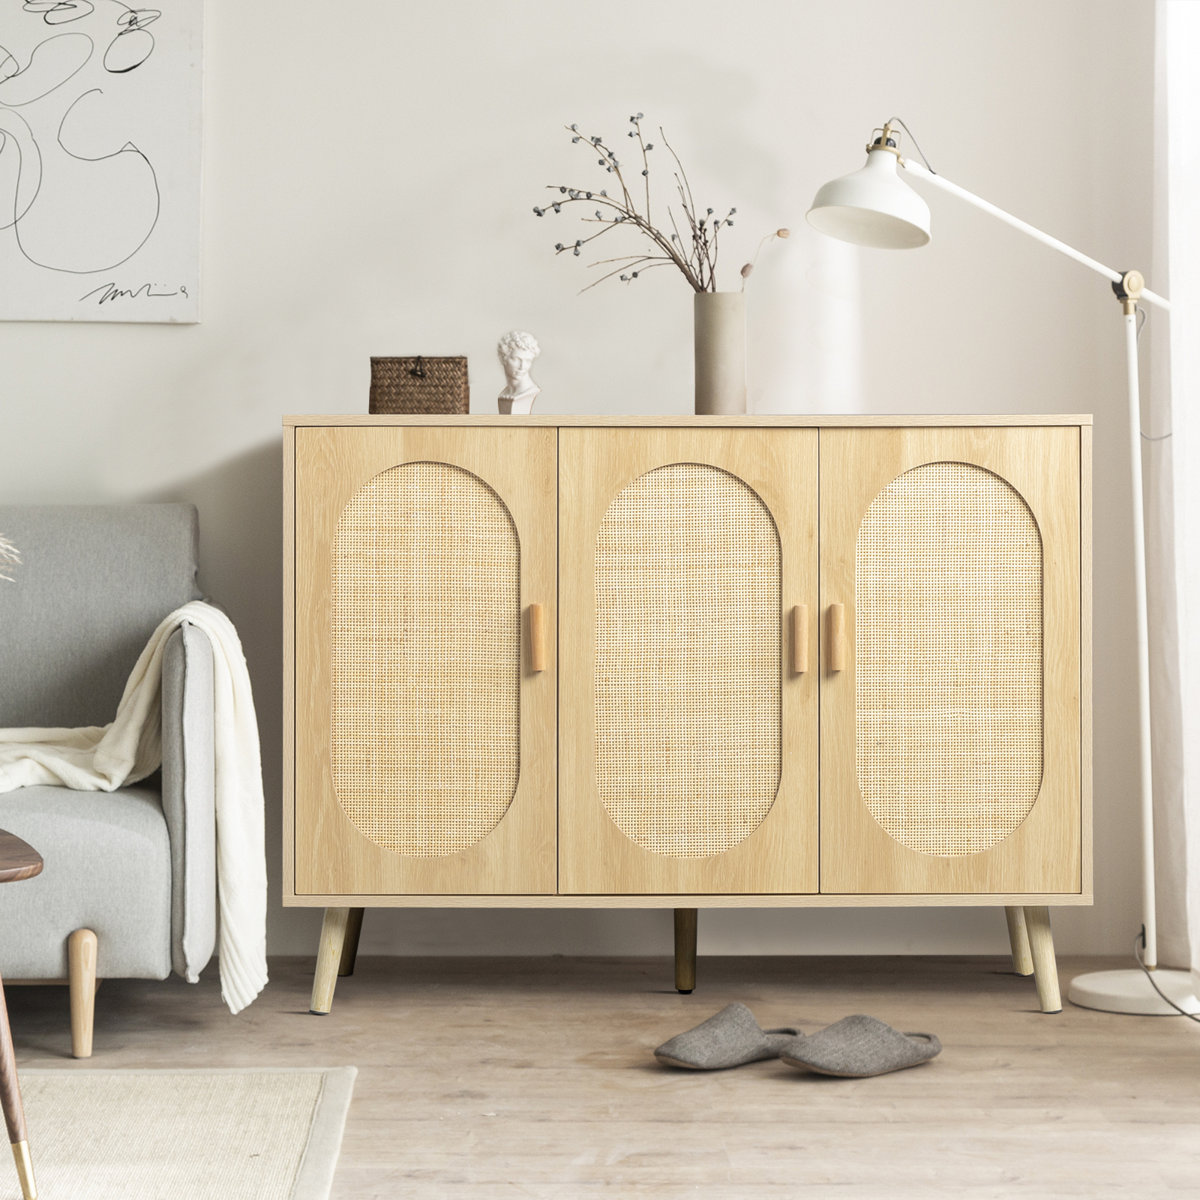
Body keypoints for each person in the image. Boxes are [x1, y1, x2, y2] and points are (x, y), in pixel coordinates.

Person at [497, 330, 541, 413]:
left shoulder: (530, 393)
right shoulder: (504, 395)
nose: (522, 366)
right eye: (516, 359)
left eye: (528, 361)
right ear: (503, 358)